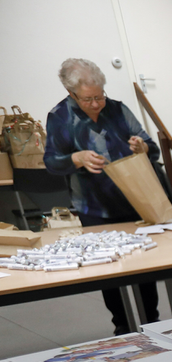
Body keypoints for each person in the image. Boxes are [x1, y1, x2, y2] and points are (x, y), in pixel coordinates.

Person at [44, 58, 165, 334]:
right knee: (108, 270)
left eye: (100, 96)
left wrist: (141, 147)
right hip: (94, 206)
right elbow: (52, 162)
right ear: (71, 93)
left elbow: (150, 146)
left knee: (145, 265)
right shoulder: (60, 117)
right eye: (89, 99)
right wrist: (77, 157)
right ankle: (122, 326)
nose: (97, 103)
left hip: (135, 198)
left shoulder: (118, 109)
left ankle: (152, 321)